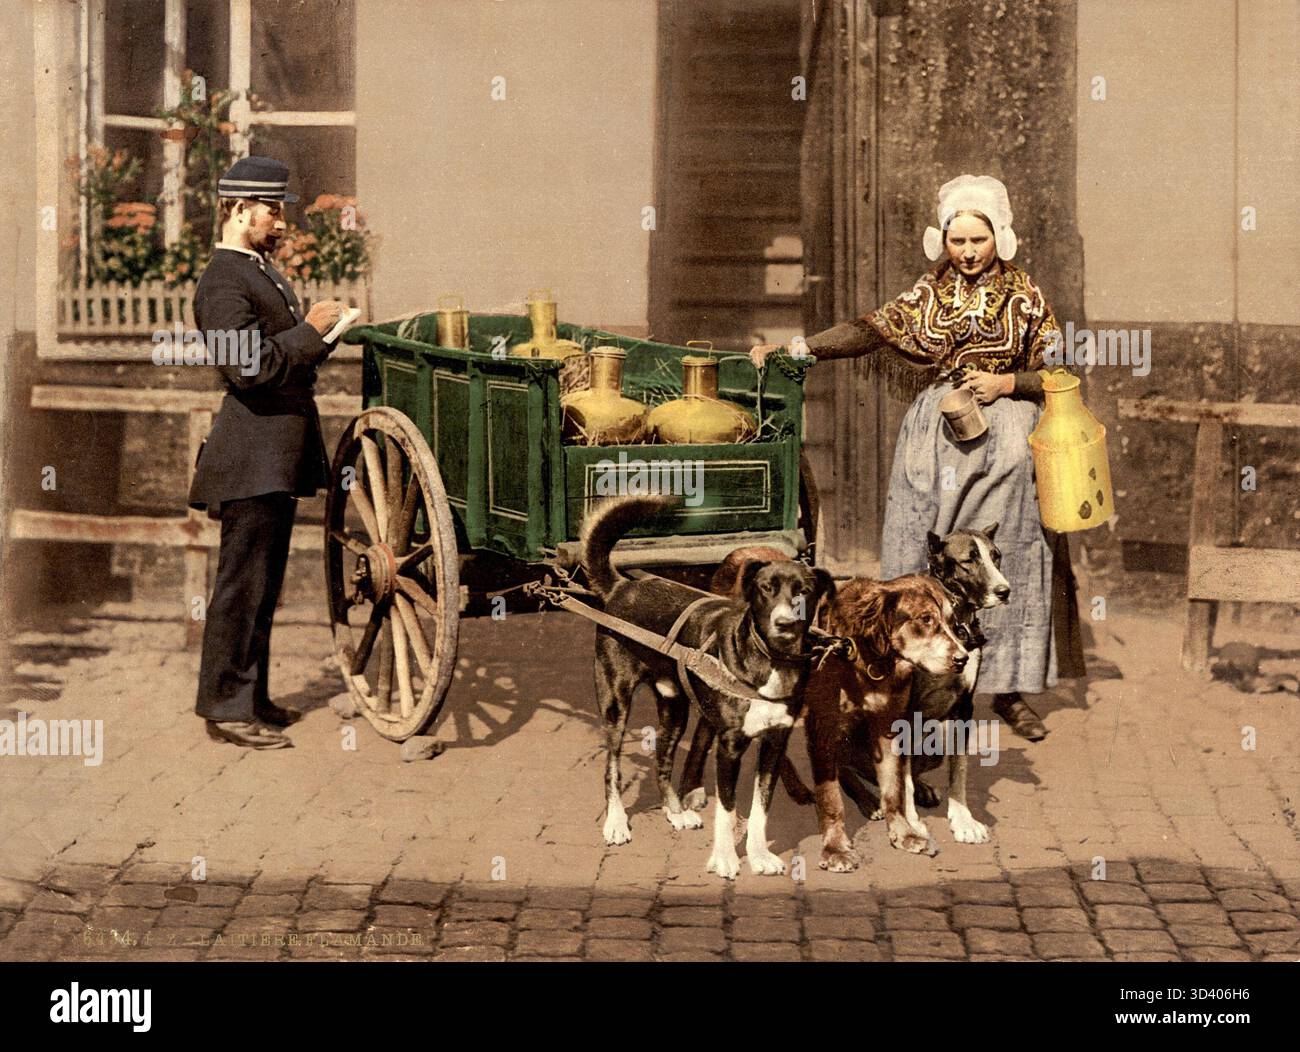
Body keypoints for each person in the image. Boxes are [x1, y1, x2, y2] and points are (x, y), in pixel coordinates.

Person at [751, 174, 1085, 740]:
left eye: (979, 240)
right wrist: (801, 347)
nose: (969, 252)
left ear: (998, 238)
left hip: (1007, 443)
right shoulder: (927, 295)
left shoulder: (1027, 298)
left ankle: (1006, 689)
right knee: (919, 548)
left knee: (1008, 560)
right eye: (958, 241)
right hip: (935, 436)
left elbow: (1059, 370)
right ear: (944, 242)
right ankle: (912, 685)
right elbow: (869, 330)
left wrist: (1006, 383)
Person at [188, 156, 349, 749]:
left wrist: (323, 335)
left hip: (273, 455)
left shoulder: (258, 271)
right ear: (236, 210)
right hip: (249, 456)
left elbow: (285, 360)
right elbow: (248, 366)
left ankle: (250, 697)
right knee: (240, 585)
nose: (281, 223)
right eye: (271, 211)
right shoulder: (223, 279)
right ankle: (226, 709)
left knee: (262, 585)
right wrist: (308, 331)